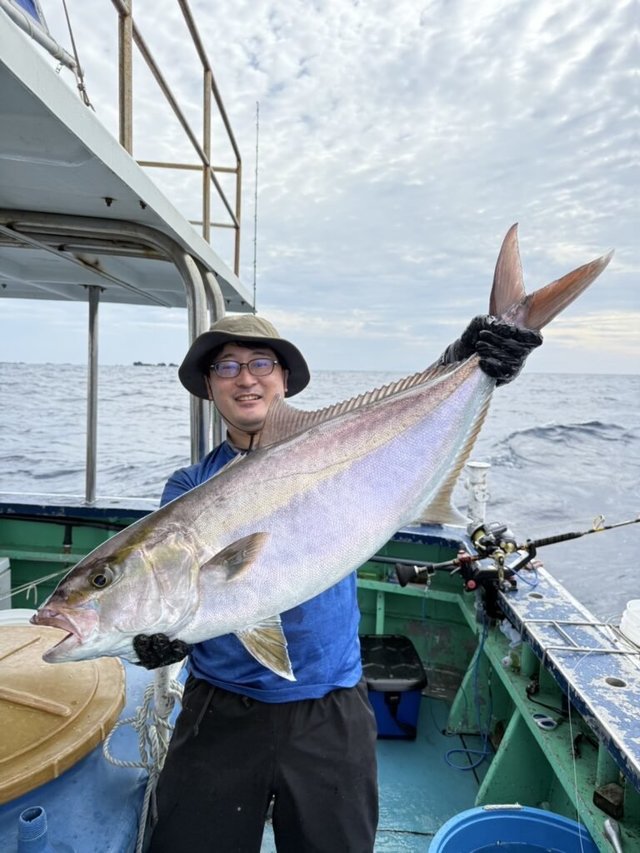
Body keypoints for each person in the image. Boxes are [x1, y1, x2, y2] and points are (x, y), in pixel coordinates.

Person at [139, 312, 541, 853]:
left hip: (330, 703)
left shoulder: (336, 451)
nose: (245, 377)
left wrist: (466, 362)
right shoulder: (188, 488)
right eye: (226, 365)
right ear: (210, 387)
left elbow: (393, 423)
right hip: (221, 705)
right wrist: (158, 634)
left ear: (283, 379)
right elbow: (175, 593)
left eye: (261, 362)